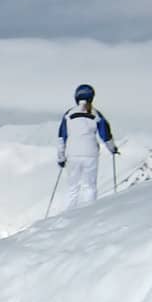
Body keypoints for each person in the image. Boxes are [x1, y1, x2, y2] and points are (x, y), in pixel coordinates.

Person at [55, 82, 118, 211]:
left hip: (72, 154)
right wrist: (113, 149)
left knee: (72, 187)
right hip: (91, 154)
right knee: (89, 186)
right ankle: (88, 213)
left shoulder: (69, 114)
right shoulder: (96, 114)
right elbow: (106, 135)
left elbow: (62, 137)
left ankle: (68, 214)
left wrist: (61, 158)